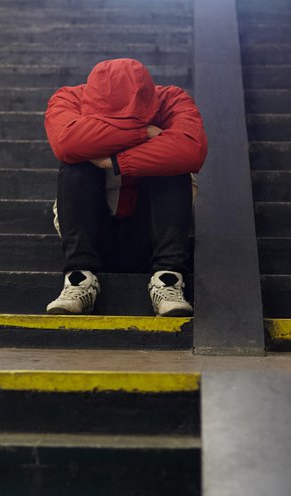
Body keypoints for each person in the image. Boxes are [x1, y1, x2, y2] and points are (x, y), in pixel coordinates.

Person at [43, 58, 207, 316]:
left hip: (153, 237)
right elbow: (65, 143)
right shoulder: (69, 98)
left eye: (131, 117)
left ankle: (168, 280)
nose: (123, 120)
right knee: (74, 165)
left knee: (173, 165)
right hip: (94, 235)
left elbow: (192, 150)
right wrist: (144, 132)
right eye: (114, 117)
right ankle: (79, 279)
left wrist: (115, 161)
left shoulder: (172, 99)